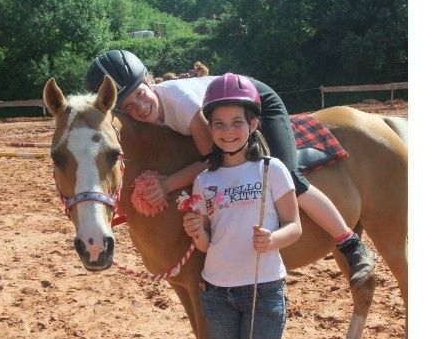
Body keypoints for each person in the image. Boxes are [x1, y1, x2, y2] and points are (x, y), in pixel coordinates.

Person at [85, 49, 374, 288]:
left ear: (149, 80)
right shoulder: (147, 119)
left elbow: (213, 160)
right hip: (221, 111)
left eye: (140, 94)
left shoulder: (183, 105)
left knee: (290, 176)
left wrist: (167, 184)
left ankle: (349, 243)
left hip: (256, 99)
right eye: (128, 106)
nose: (139, 107)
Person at [181, 79, 301, 339]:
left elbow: (295, 226)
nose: (227, 130)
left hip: (262, 291)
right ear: (210, 129)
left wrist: (273, 239)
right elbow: (205, 246)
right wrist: (197, 231)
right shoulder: (205, 181)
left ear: (252, 124)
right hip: (217, 294)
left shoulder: (272, 169)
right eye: (218, 123)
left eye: (237, 121)